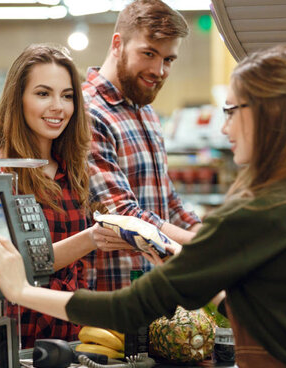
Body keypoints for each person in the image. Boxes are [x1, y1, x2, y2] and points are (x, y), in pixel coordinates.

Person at [0, 45, 286, 368]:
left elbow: (129, 308)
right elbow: (263, 308)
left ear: (267, 116)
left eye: (231, 111)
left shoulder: (258, 213)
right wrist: (173, 254)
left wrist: (19, 289)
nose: (223, 128)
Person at [0, 44, 130, 348]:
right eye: (42, 94)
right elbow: (17, 263)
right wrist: (92, 238)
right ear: (18, 99)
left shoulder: (74, 171)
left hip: (74, 339)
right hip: (21, 341)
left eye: (67, 96)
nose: (58, 107)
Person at [82, 0, 202, 291]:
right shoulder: (88, 113)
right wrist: (198, 244)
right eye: (148, 53)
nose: (158, 70)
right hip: (114, 296)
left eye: (168, 60)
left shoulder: (146, 112)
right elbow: (122, 213)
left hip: (155, 289)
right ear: (117, 44)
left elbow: (167, 200)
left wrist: (203, 231)